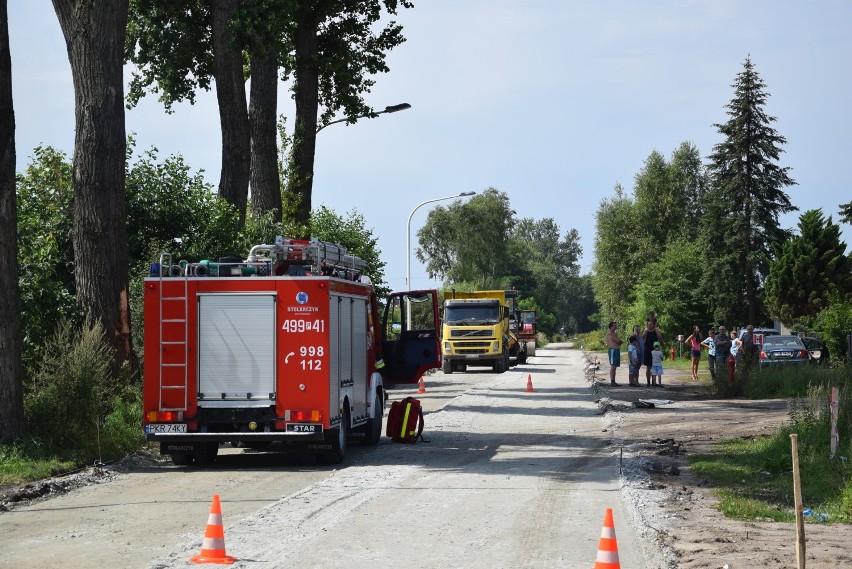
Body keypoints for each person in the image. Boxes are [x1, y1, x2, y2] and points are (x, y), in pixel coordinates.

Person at [642, 312, 662, 386]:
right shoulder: (646, 331)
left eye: (650, 324)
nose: (649, 325)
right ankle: (648, 382)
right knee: (648, 367)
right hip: (647, 350)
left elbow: (660, 338)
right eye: (648, 324)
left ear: (653, 325)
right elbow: (642, 338)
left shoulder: (656, 330)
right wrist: (645, 332)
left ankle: (654, 382)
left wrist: (657, 332)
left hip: (655, 350)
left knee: (655, 366)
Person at [605, 321, 623, 387]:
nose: (616, 326)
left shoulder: (614, 334)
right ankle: (612, 381)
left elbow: (620, 342)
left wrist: (619, 342)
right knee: (613, 366)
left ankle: (614, 381)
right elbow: (618, 341)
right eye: (614, 325)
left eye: (616, 325)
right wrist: (619, 342)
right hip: (613, 351)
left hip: (616, 350)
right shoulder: (610, 334)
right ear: (611, 327)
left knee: (615, 366)